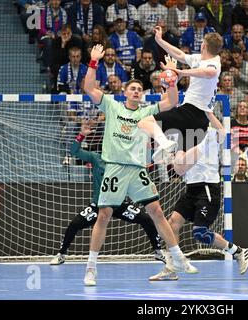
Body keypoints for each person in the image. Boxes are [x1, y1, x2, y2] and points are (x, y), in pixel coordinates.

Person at [82, 44, 198, 286]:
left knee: (156, 211)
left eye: (139, 90)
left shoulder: (146, 112)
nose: (136, 92)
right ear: (125, 92)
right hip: (115, 167)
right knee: (103, 214)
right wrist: (93, 62)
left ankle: (177, 257)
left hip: (137, 170)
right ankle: (91, 268)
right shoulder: (112, 106)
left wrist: (173, 79)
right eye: (132, 89)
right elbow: (88, 88)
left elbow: (172, 102)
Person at [149, 112, 248, 280]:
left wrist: (207, 111)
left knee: (200, 233)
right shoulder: (183, 138)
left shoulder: (210, 133)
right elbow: (179, 167)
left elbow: (224, 133)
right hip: (191, 188)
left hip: (208, 188)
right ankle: (171, 267)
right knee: (173, 223)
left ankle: (238, 252)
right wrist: (171, 157)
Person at [50, 121, 165, 265]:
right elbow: (74, 152)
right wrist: (81, 135)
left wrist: (147, 144)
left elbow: (145, 159)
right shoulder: (96, 158)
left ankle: (158, 251)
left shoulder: (124, 159)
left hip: (120, 205)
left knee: (147, 220)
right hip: (99, 206)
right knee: (74, 225)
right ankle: (61, 254)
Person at [137, 25, 223, 164]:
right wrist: (159, 40)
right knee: (180, 166)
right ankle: (204, 147)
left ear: (204, 46)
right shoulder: (199, 59)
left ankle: (165, 144)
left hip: (191, 112)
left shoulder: (214, 63)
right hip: (200, 120)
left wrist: (180, 72)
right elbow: (179, 54)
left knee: (144, 123)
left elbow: (210, 73)